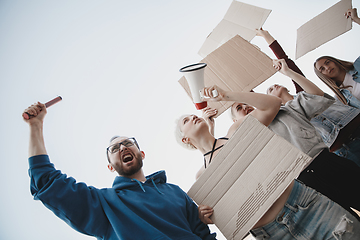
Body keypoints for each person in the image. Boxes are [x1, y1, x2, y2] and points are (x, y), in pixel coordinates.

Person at [176, 83, 360, 239]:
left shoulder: (235, 133)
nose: (192, 117)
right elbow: (224, 211)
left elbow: (272, 104)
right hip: (271, 232)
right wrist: (207, 216)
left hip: (301, 203)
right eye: (186, 120)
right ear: (184, 139)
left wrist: (225, 95)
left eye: (192, 115)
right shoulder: (202, 176)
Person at [23, 102, 216, 240]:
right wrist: (35, 126)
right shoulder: (105, 203)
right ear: (110, 166)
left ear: (141, 153)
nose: (122, 148)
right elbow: (47, 182)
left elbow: (202, 233)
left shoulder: (175, 191)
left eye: (127, 143)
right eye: (115, 149)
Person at [257, 27, 360, 166]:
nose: (273, 86)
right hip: (345, 150)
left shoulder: (306, 94)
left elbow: (286, 61)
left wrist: (266, 36)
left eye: (274, 84)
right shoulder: (285, 119)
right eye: (269, 90)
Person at [314, 8, 360, 103]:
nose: (327, 67)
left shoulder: (358, 65)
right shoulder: (340, 98)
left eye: (328, 62)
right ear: (321, 75)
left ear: (335, 61)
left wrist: (356, 19)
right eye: (322, 69)